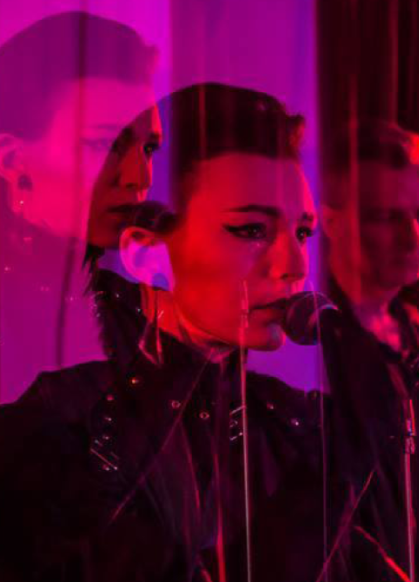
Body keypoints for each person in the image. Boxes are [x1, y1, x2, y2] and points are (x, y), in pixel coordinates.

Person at [0, 82, 356, 582]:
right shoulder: (63, 419)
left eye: (302, 233)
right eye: (251, 230)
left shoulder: (288, 425)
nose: (294, 265)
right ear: (147, 254)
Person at [0, 11, 160, 401]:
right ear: (13, 160)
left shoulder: (137, 312)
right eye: (104, 144)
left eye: (149, 148)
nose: (139, 177)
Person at [320, 119, 419, 581]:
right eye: (386, 217)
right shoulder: (310, 350)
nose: (414, 236)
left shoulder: (418, 333)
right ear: (331, 221)